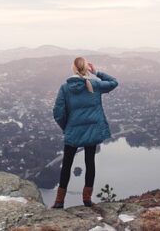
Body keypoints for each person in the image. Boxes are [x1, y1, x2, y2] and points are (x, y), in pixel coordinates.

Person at [51, 56, 119, 208]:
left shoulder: (65, 88)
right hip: (92, 131)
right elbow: (114, 82)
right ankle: (87, 200)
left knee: (67, 165)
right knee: (90, 163)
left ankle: (59, 201)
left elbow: (58, 113)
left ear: (73, 69)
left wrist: (66, 127)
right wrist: (97, 72)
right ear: (86, 68)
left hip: (73, 131)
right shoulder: (95, 84)